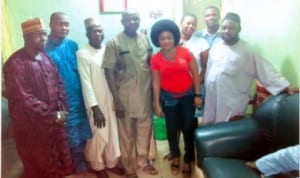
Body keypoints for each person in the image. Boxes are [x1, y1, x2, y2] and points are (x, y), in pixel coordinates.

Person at [3, 18, 73, 178]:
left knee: (59, 162)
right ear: (26, 37)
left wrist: (62, 108)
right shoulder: (15, 64)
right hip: (33, 129)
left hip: (55, 125)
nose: (44, 38)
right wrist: (52, 115)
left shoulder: (46, 58)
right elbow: (24, 99)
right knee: (39, 167)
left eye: (45, 34)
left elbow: (59, 82)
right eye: (38, 35)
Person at [203, 12, 293, 124]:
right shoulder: (215, 47)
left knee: (227, 130)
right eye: (224, 27)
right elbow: (209, 71)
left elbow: (264, 69)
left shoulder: (246, 49)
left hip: (231, 101)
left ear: (239, 29)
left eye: (231, 28)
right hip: (212, 96)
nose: (227, 31)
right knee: (210, 126)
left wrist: (284, 86)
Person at [102, 9, 158, 178]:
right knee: (127, 136)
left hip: (144, 96)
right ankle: (129, 168)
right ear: (122, 21)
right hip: (125, 98)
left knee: (144, 132)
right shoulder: (114, 42)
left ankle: (143, 162)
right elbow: (109, 71)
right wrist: (116, 100)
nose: (133, 22)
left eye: (136, 18)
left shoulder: (144, 39)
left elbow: (150, 62)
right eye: (129, 19)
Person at [150, 19, 202, 178]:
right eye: (162, 38)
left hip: (187, 96)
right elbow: (155, 82)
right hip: (169, 98)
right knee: (171, 130)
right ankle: (176, 156)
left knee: (187, 128)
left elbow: (195, 74)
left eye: (169, 37)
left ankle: (188, 159)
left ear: (174, 38)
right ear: (157, 41)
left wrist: (198, 95)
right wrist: (156, 104)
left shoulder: (185, 52)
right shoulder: (155, 59)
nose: (166, 41)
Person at [76, 17, 126, 178]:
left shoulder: (107, 50)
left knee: (112, 133)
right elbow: (85, 82)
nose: (98, 33)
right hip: (96, 102)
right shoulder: (83, 54)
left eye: (100, 30)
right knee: (99, 134)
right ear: (87, 34)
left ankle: (110, 163)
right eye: (94, 31)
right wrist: (94, 107)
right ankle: (97, 166)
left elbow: (114, 75)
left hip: (111, 99)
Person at [46, 12, 92, 175]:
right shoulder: (44, 49)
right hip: (62, 102)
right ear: (51, 24)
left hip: (79, 99)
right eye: (60, 24)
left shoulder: (73, 45)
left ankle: (82, 163)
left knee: (84, 135)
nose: (64, 27)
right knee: (70, 138)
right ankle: (75, 167)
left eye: (67, 24)